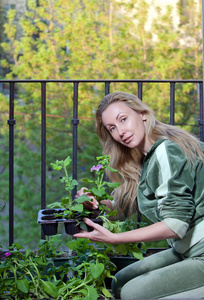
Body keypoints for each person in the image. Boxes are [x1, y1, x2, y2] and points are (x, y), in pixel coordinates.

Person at [74, 91, 204, 299]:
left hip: (200, 248)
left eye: (123, 119)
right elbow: (122, 207)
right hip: (186, 248)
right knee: (119, 282)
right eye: (112, 128)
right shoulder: (145, 158)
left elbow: (176, 224)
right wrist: (95, 203)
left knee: (133, 294)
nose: (120, 132)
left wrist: (115, 238)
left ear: (142, 114)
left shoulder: (166, 151)